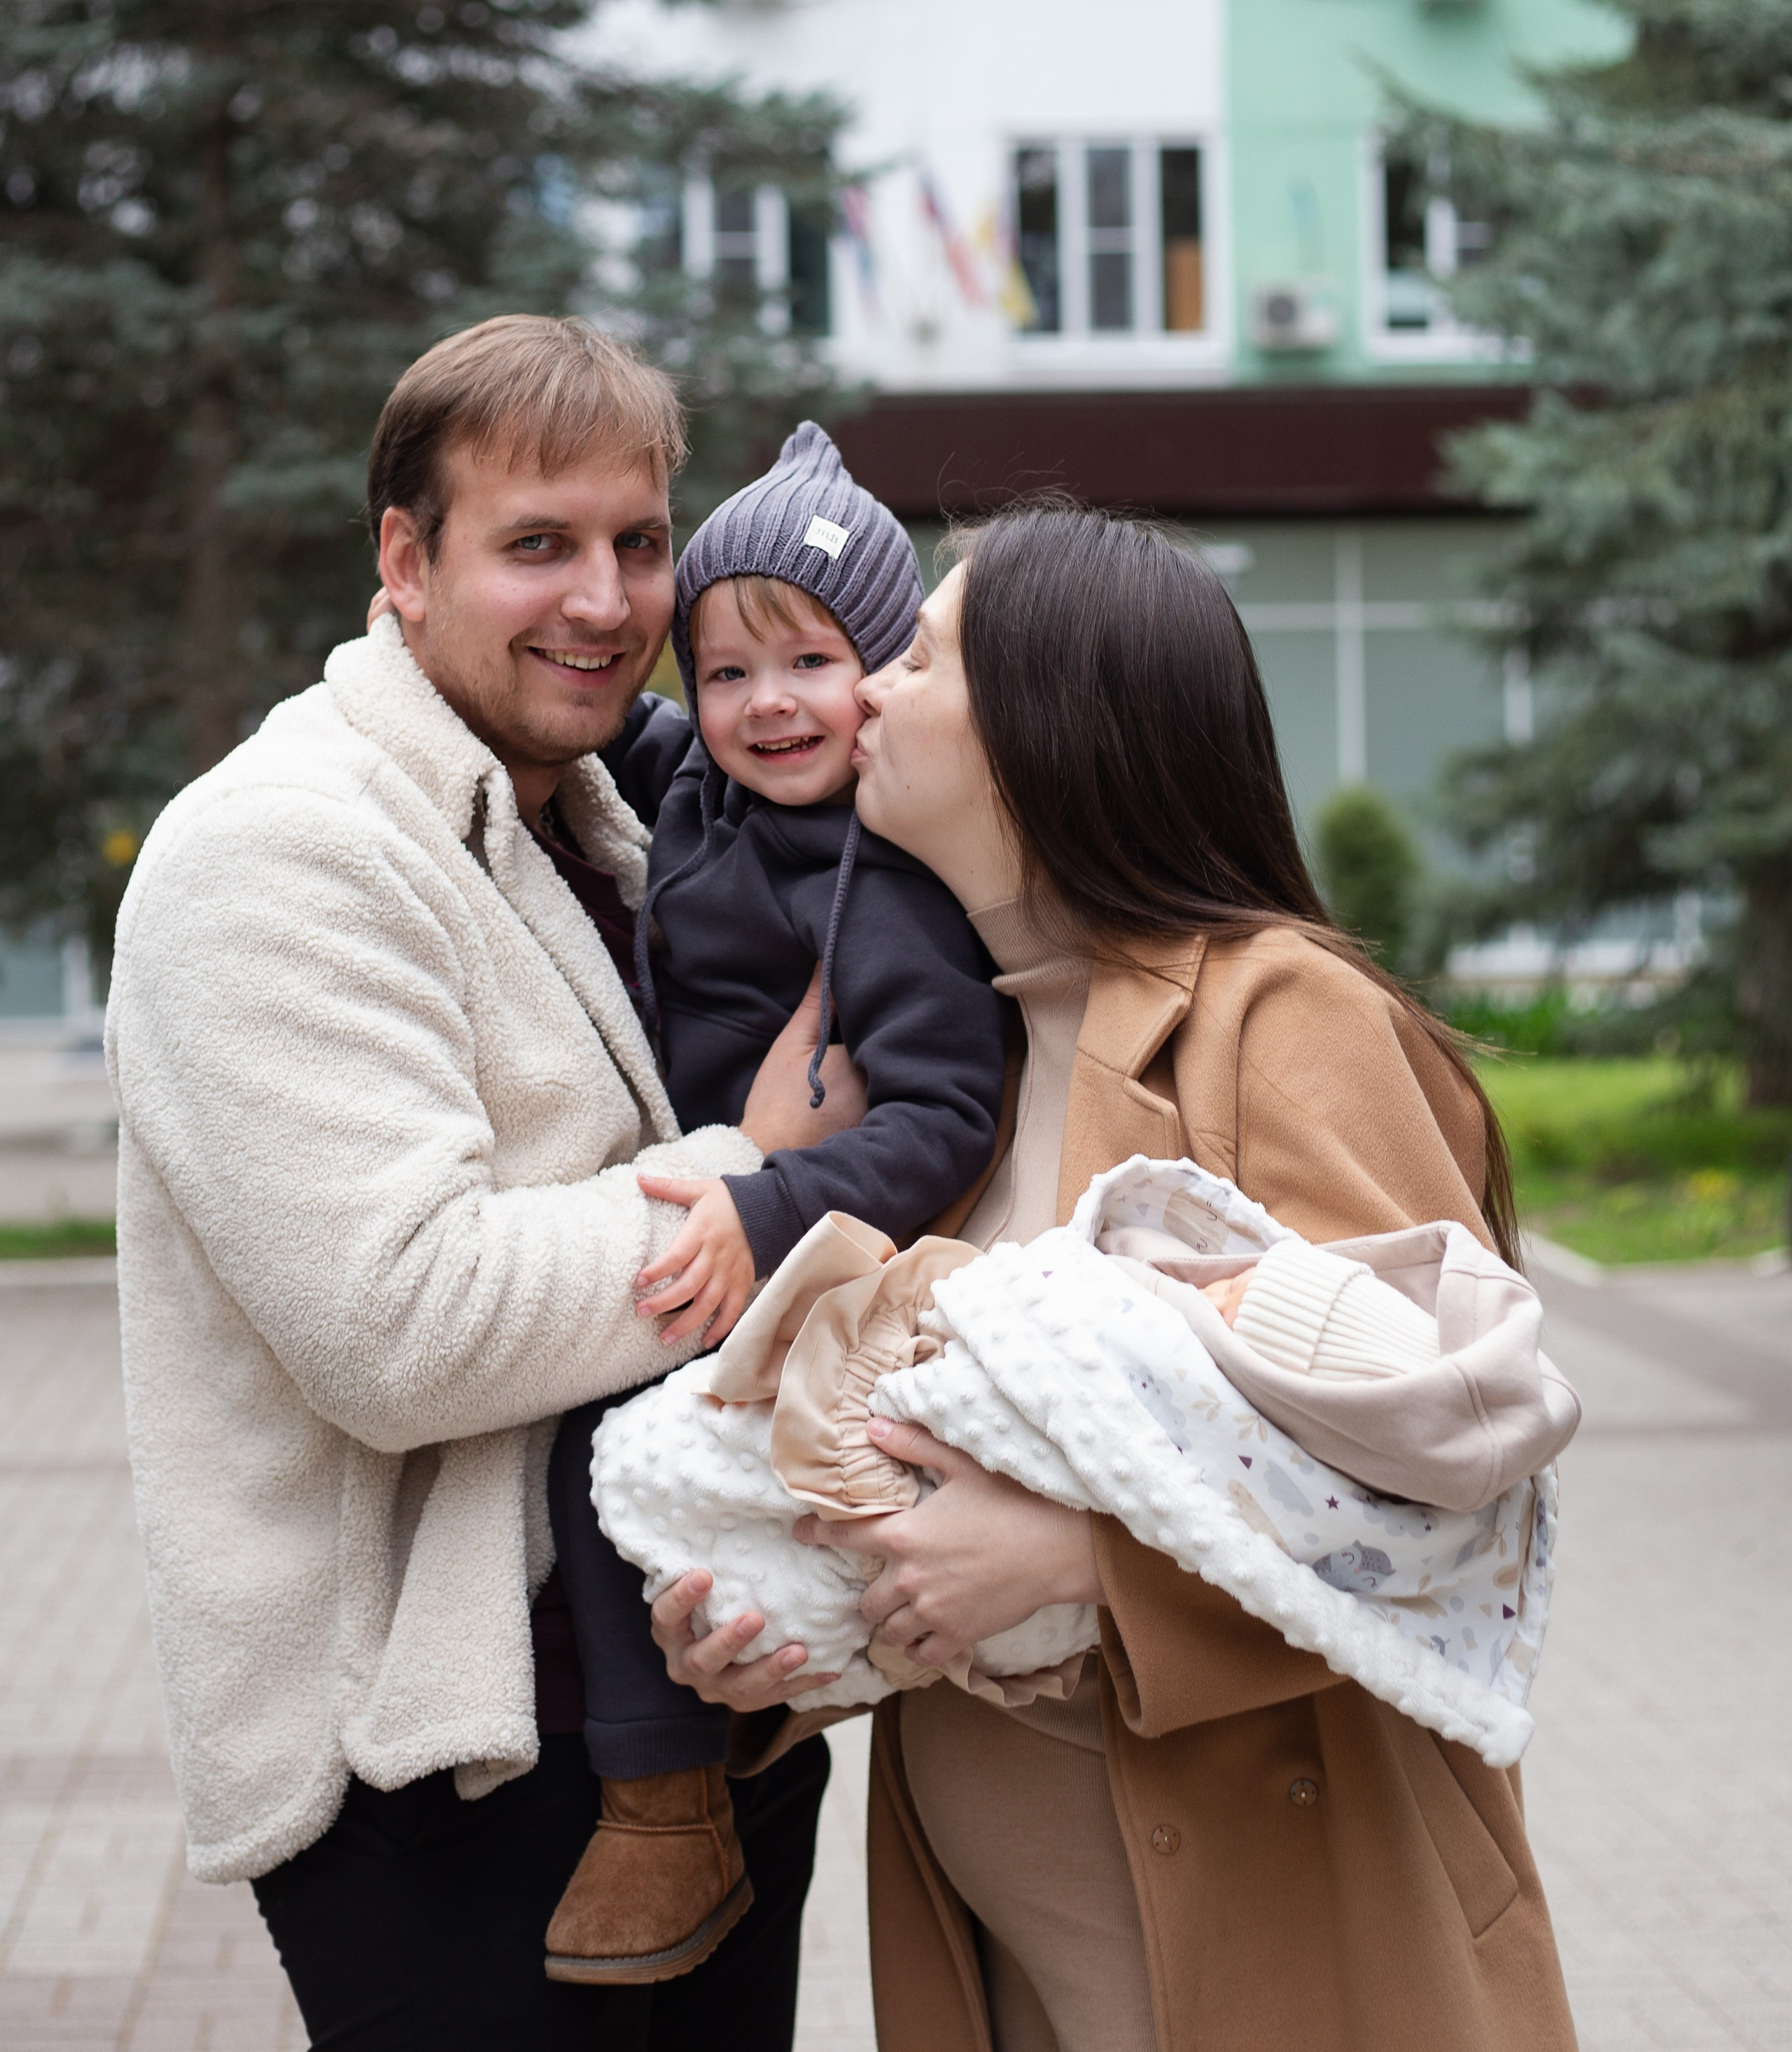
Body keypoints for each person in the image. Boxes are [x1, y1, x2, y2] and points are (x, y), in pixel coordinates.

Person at [644, 506, 1581, 2052]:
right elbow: (944, 1467)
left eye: (919, 656)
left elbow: (1461, 1475)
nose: (864, 689)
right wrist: (765, 1652)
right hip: (1011, 1967)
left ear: (1038, 727)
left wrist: (1083, 1563)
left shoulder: (1277, 1014)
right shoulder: (961, 1063)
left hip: (1282, 1949)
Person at [106, 315, 855, 2051]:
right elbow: (403, 1321)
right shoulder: (279, 850)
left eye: (638, 543)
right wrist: (765, 1176)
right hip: (444, 1765)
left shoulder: (597, 818)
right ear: (405, 559)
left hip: (693, 1707)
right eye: (537, 545)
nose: (605, 600)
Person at [541, 423, 1009, 1988]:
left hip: (800, 1246)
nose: (766, 706)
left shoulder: (884, 885)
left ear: (881, 672)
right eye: (727, 671)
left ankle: (661, 1799)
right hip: (709, 1212)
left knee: (609, 1463)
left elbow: (949, 1108)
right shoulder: (702, 784)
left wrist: (776, 1202)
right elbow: (618, 725)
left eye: (809, 660)